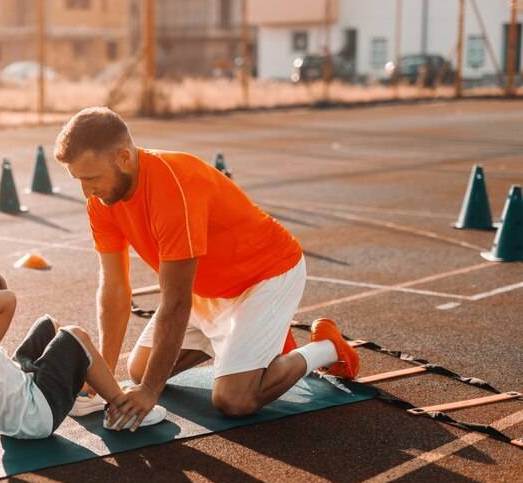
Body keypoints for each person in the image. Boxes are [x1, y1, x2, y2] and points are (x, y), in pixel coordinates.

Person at [53, 106, 360, 430]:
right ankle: (247, 346)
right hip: (208, 289)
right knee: (139, 370)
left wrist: (151, 392)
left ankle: (327, 347)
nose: (86, 191)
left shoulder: (173, 188)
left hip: (265, 276)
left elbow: (176, 302)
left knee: (234, 399)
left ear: (124, 158)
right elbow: (114, 289)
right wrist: (103, 378)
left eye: (91, 178)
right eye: (79, 180)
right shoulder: (102, 200)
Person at [0, 252, 166, 438]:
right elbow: (7, 301)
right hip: (35, 417)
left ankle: (82, 396)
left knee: (48, 325)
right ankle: (121, 409)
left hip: (21, 393)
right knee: (75, 336)